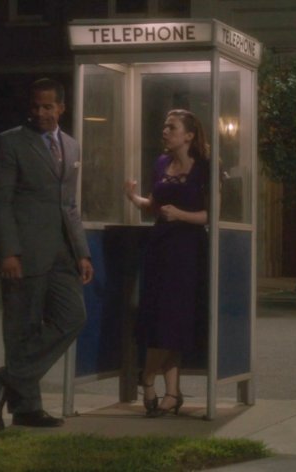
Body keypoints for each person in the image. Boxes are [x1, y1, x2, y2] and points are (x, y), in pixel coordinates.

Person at [0, 78, 93, 429]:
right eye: (35, 106)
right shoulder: (10, 143)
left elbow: (69, 206)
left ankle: (5, 377)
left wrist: (82, 252)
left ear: (62, 107)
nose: (41, 113)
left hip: (62, 253)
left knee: (73, 317)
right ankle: (27, 409)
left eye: (48, 106)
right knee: (22, 329)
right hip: (24, 253)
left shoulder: (72, 147)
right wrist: (8, 253)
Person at [125, 109, 209, 418]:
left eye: (171, 127)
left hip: (188, 251)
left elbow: (211, 213)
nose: (165, 131)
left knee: (176, 320)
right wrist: (134, 200)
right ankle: (171, 391)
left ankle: (149, 379)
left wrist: (182, 216)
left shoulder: (204, 168)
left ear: (188, 135)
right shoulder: (161, 164)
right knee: (158, 317)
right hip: (160, 247)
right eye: (164, 126)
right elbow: (156, 205)